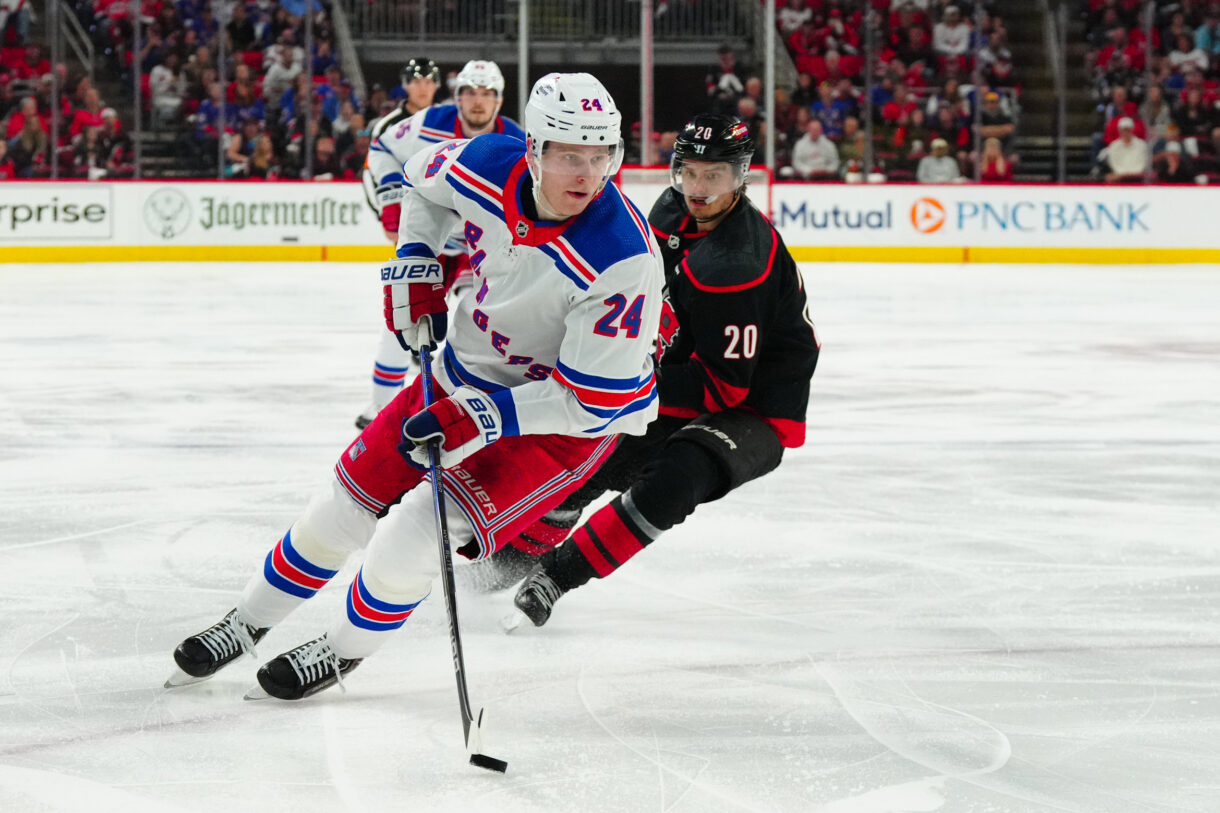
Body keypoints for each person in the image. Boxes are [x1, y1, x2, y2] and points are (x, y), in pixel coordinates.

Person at [167, 72, 665, 700]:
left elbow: (591, 403)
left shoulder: (623, 256)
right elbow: (422, 186)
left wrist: (482, 418)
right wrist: (417, 263)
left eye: (601, 157)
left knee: (413, 532)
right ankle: (246, 622)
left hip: (557, 426)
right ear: (533, 148)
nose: (587, 175)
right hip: (461, 373)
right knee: (343, 504)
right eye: (570, 154)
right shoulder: (487, 159)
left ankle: (342, 651)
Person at [471, 114, 820, 627]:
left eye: (715, 176)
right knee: (590, 446)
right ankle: (503, 563)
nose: (698, 189)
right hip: (684, 372)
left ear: (742, 177)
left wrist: (624, 384)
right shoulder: (670, 211)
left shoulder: (736, 264)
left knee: (678, 474)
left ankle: (556, 576)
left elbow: (723, 387)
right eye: (689, 173)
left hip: (758, 407)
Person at [355, 59, 526, 430]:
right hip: (429, 242)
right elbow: (381, 148)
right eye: (469, 93)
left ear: (498, 100)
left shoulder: (514, 138)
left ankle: (461, 405)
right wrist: (389, 197)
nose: (477, 102)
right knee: (402, 317)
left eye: (487, 94)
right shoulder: (429, 122)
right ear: (457, 96)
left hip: (478, 250)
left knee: (477, 322)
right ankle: (380, 410)